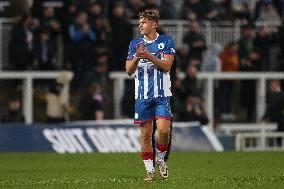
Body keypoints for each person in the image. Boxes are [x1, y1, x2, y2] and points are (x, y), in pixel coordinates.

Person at [125, 9, 175, 181]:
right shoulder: (135, 44)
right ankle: (149, 171)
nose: (140, 25)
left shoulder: (166, 41)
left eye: (144, 22)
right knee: (146, 134)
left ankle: (160, 159)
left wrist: (148, 55)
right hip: (142, 96)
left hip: (162, 95)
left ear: (154, 24)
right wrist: (138, 57)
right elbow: (128, 71)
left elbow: (167, 66)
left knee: (163, 131)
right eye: (139, 23)